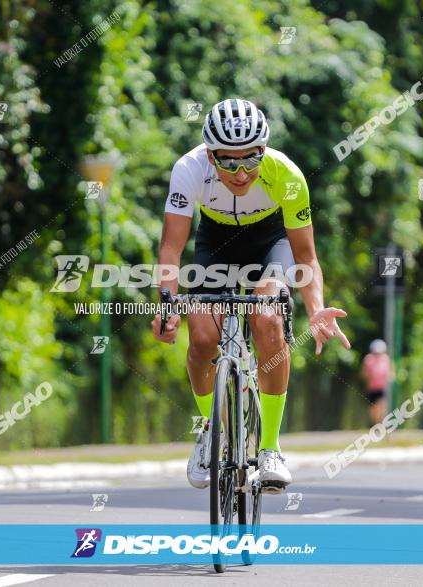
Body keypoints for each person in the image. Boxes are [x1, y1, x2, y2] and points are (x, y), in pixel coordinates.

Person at [150, 98, 350, 491]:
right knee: (203, 337)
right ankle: (211, 432)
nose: (241, 173)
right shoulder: (189, 170)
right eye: (228, 162)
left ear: (264, 150)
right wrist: (166, 305)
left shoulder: (286, 175)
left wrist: (316, 308)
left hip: (270, 242)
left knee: (267, 317)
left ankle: (271, 448)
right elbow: (171, 249)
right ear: (210, 155)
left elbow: (306, 256)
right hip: (216, 243)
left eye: (250, 160)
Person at [361, 339, 392, 425]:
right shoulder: (368, 359)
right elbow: (364, 374)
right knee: (373, 408)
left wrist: (389, 378)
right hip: (371, 387)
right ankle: (374, 423)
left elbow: (390, 372)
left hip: (382, 387)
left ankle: (380, 423)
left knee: (381, 406)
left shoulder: (385, 359)